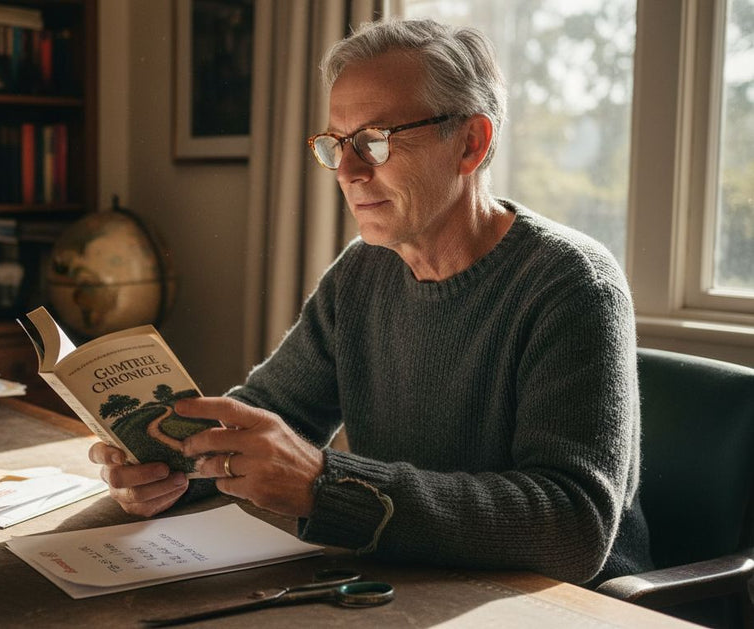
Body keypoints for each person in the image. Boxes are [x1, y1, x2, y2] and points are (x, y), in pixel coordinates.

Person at [89, 17, 652, 586]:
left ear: (470, 143)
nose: (350, 172)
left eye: (376, 141)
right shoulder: (362, 272)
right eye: (337, 145)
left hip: (564, 605)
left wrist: (326, 487)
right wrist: (168, 472)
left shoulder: (572, 284)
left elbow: (574, 526)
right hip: (406, 585)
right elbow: (269, 415)